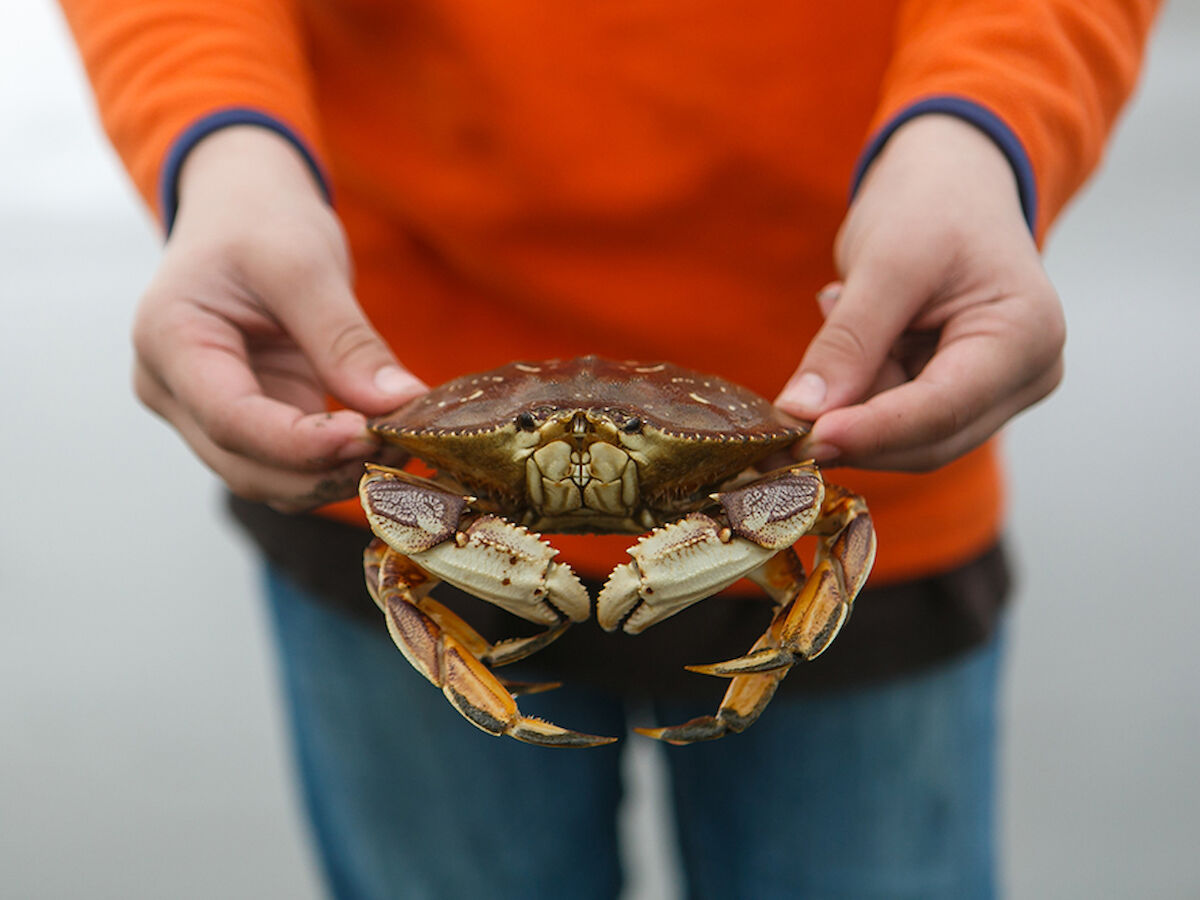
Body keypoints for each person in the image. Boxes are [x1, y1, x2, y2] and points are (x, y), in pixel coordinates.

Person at [60, 1, 1158, 897]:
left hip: (868, 391)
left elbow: (828, 511)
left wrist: (983, 131)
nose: (582, 455)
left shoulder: (798, 466)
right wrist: (223, 148)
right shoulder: (407, 472)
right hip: (364, 372)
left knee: (831, 524)